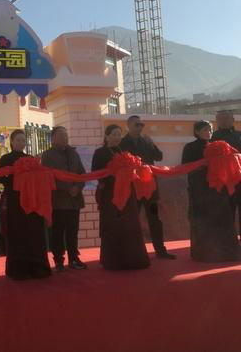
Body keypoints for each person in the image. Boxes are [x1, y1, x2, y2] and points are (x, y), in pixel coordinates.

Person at [92, 125, 150, 271]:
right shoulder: (100, 152)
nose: (117, 137)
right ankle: (113, 261)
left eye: (119, 134)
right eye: (114, 134)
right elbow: (96, 172)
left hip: (127, 193)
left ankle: (132, 259)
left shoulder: (123, 152)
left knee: (129, 224)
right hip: (110, 195)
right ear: (107, 136)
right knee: (112, 225)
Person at [182, 120, 241, 262]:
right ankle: (204, 253)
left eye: (210, 130)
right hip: (200, 188)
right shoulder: (190, 147)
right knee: (202, 219)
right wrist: (204, 166)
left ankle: (225, 252)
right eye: (205, 130)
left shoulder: (218, 146)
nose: (208, 132)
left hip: (218, 188)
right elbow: (185, 166)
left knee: (222, 217)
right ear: (196, 132)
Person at [120, 115, 175, 259]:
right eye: (137, 125)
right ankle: (131, 251)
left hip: (149, 186)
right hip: (133, 187)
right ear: (129, 126)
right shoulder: (123, 143)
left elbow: (159, 157)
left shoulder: (146, 140)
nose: (140, 127)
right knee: (132, 218)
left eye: (141, 125)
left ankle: (160, 250)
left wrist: (151, 144)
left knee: (155, 219)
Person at [0, 129, 51, 279]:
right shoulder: (5, 159)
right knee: (17, 233)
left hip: (31, 201)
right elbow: (1, 178)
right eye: (18, 140)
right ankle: (19, 270)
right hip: (14, 202)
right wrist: (18, 178)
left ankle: (37, 267)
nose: (21, 143)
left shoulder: (30, 159)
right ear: (12, 142)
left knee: (33, 233)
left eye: (23, 140)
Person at [41, 126, 87, 271]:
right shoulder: (47, 156)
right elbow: (48, 177)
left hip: (74, 200)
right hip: (58, 200)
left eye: (66, 135)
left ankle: (74, 258)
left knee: (73, 231)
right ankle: (58, 261)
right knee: (58, 231)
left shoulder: (74, 153)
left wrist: (77, 187)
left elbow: (82, 174)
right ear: (53, 138)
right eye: (61, 135)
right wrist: (68, 188)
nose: (65, 138)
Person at [211, 110, 241, 238]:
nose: (224, 121)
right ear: (217, 121)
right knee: (226, 211)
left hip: (240, 179)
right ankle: (228, 240)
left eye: (227, 118)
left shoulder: (239, 135)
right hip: (222, 181)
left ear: (233, 120)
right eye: (221, 118)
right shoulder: (212, 137)